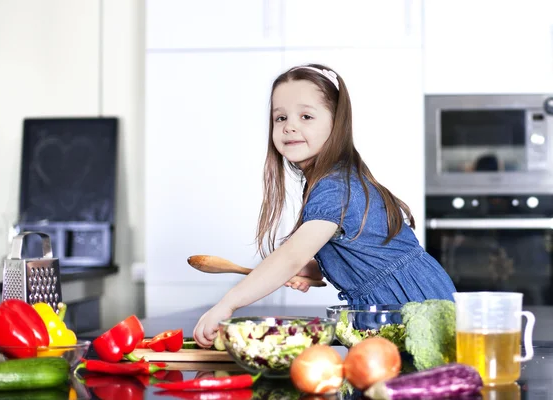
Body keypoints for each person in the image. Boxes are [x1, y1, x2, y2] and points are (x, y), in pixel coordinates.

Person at [193, 64, 457, 347]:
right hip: (405, 305)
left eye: (306, 116)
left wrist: (228, 304)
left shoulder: (334, 186)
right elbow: (363, 251)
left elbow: (289, 257)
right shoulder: (332, 180)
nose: (289, 125)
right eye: (280, 117)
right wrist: (319, 267)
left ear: (337, 124)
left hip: (410, 307)